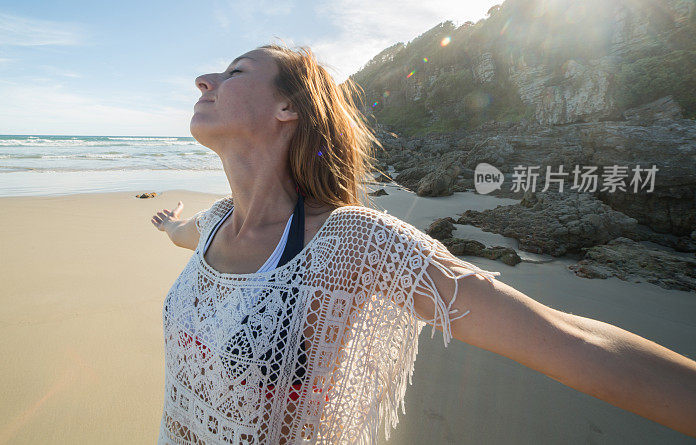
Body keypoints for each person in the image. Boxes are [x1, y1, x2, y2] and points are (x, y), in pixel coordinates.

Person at [151, 43, 696, 444]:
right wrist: (170, 223)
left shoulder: (350, 242)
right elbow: (182, 235)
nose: (204, 79)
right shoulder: (217, 223)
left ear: (288, 108)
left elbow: (565, 335)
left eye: (235, 71)